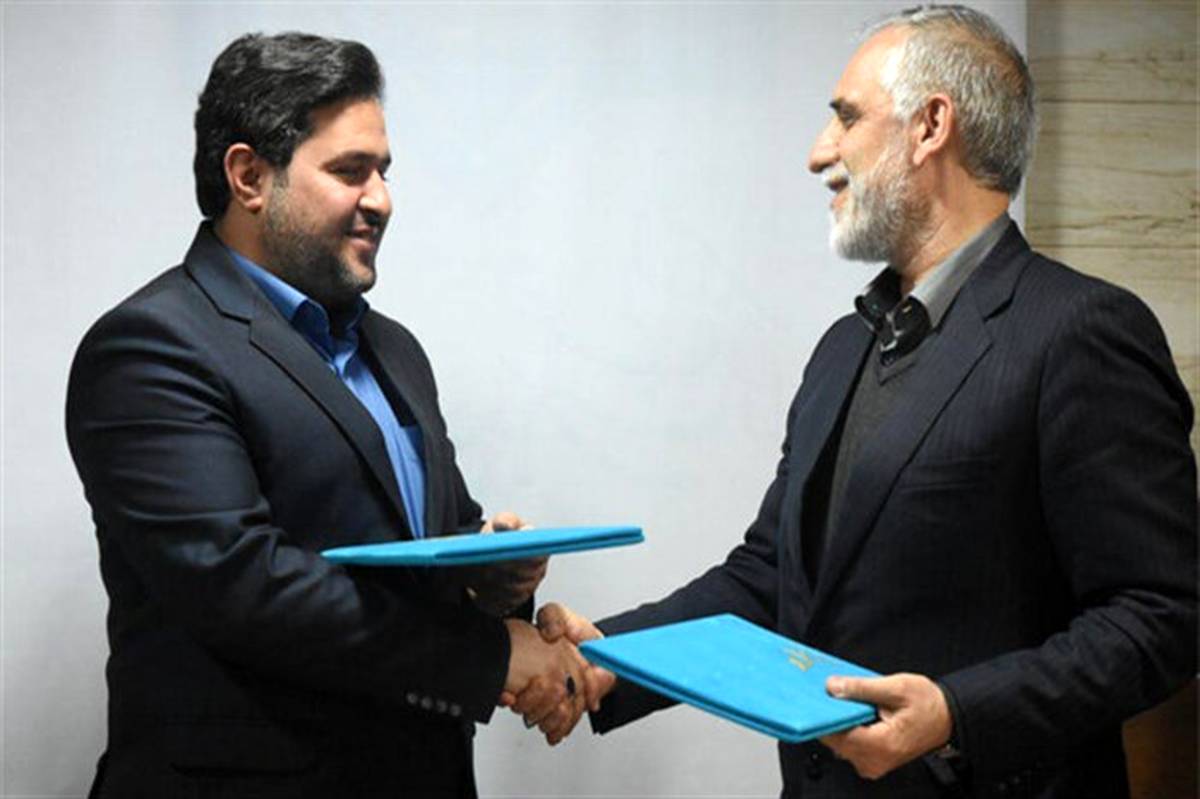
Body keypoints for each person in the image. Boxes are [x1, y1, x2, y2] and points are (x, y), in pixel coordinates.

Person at [512, 6, 1197, 797]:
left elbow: (1164, 614)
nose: (819, 153)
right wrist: (607, 656)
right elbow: (772, 575)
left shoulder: (1079, 331)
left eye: (845, 117)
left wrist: (956, 714)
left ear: (930, 125)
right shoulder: (844, 346)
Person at [66, 32, 587, 798]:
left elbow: (431, 548)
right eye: (350, 171)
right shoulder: (151, 347)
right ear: (249, 176)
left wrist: (495, 583)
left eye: (384, 171)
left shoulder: (395, 350)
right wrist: (492, 658)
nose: (382, 199)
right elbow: (244, 586)